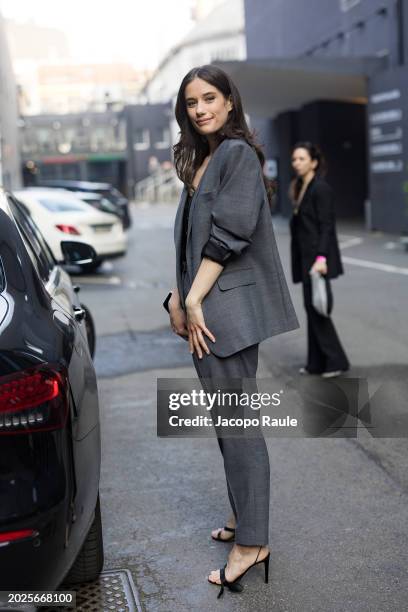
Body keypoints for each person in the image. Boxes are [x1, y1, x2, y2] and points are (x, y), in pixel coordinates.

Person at [165, 64, 298, 598]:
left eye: (210, 98)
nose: (201, 109)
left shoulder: (238, 154)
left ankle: (254, 543)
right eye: (192, 102)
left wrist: (194, 298)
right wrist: (175, 298)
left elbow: (231, 234)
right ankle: (246, 520)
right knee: (227, 422)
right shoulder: (203, 158)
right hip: (204, 309)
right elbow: (187, 242)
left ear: (229, 101)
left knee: (238, 424)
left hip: (226, 315)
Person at [289, 142, 350, 378]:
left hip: (317, 259)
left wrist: (322, 257)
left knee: (319, 310)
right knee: (310, 308)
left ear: (314, 162)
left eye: (302, 159)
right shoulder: (302, 186)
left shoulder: (320, 188)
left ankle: (336, 361)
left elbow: (327, 226)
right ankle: (316, 363)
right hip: (306, 258)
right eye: (294, 159)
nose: (297, 163)